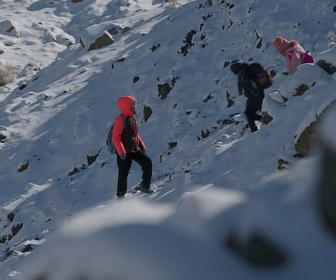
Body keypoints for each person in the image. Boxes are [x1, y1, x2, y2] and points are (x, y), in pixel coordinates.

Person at [112, 95, 153, 199]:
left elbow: (135, 134)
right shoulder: (120, 120)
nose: (136, 107)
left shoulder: (132, 118)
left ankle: (145, 186)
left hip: (134, 149)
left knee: (147, 163)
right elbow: (115, 138)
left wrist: (141, 145)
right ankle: (121, 196)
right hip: (124, 152)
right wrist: (121, 153)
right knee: (123, 173)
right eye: (134, 105)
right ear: (127, 106)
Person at [230, 61, 273, 133]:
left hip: (255, 96)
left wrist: (249, 94)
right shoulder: (246, 71)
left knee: (250, 113)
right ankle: (264, 120)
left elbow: (252, 86)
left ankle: (262, 123)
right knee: (251, 112)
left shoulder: (245, 74)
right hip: (257, 95)